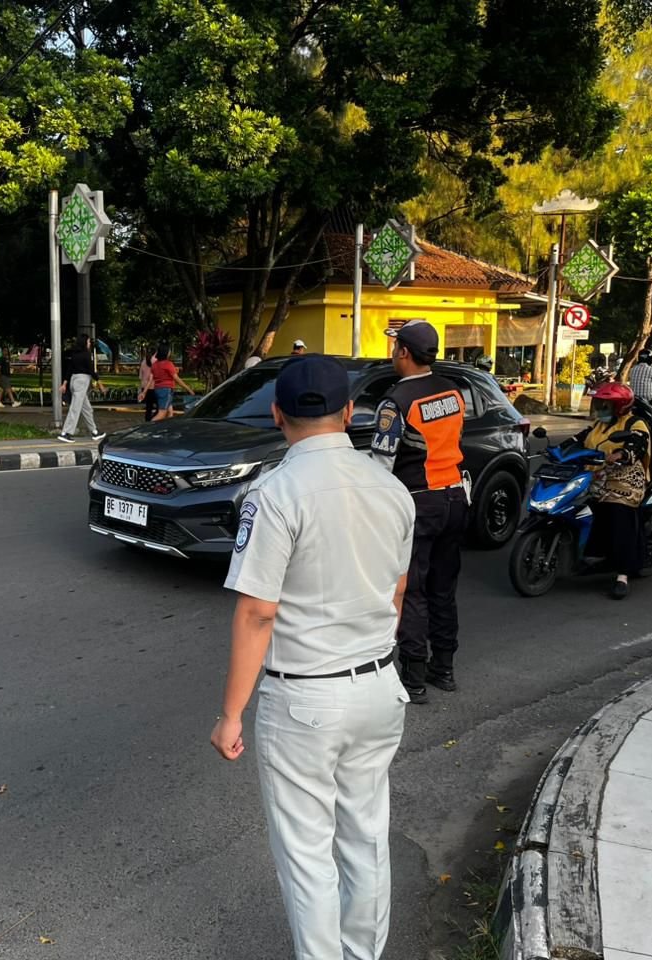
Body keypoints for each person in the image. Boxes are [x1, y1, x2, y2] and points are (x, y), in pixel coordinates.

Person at [210, 354, 415, 960]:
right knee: (366, 838)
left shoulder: (273, 493)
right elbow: (399, 592)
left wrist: (230, 715)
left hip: (304, 696)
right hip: (379, 687)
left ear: (277, 416)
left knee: (306, 854)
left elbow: (257, 612)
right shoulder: (392, 488)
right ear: (349, 412)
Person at [370, 320, 467, 704]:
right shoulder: (453, 392)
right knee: (444, 587)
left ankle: (413, 677)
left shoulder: (396, 401)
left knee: (411, 591)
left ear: (405, 353)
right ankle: (444, 668)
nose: (393, 354)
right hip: (456, 498)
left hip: (417, 503)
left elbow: (381, 463)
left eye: (395, 348)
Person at [576, 382, 651, 599]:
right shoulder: (598, 425)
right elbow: (577, 440)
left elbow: (637, 445)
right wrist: (555, 450)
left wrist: (622, 454)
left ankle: (622, 575)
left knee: (618, 513)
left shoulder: (636, 424)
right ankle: (590, 554)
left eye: (605, 405)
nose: (600, 408)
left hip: (625, 478)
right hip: (597, 475)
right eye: (599, 403)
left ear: (619, 407)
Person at [58, 334, 106, 443]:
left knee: (87, 409)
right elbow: (91, 370)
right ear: (84, 343)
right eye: (88, 342)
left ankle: (94, 432)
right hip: (82, 381)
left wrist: (64, 383)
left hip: (74, 380)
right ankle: (66, 432)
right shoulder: (86, 354)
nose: (89, 343)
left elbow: (69, 369)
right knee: (75, 408)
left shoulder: (74, 354)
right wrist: (100, 383)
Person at [149, 343, 194, 422]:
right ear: (166, 352)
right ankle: (148, 428)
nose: (170, 353)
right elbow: (177, 379)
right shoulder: (168, 364)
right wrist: (188, 389)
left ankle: (167, 428)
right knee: (161, 414)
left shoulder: (154, 365)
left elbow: (159, 375)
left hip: (158, 389)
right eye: (169, 351)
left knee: (170, 412)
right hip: (166, 390)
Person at [137, 347, 158, 422]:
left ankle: (148, 421)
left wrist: (141, 391)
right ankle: (153, 419)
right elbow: (151, 379)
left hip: (144, 387)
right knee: (160, 407)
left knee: (148, 407)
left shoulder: (143, 362)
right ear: (155, 353)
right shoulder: (155, 362)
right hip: (153, 387)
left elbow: (141, 377)